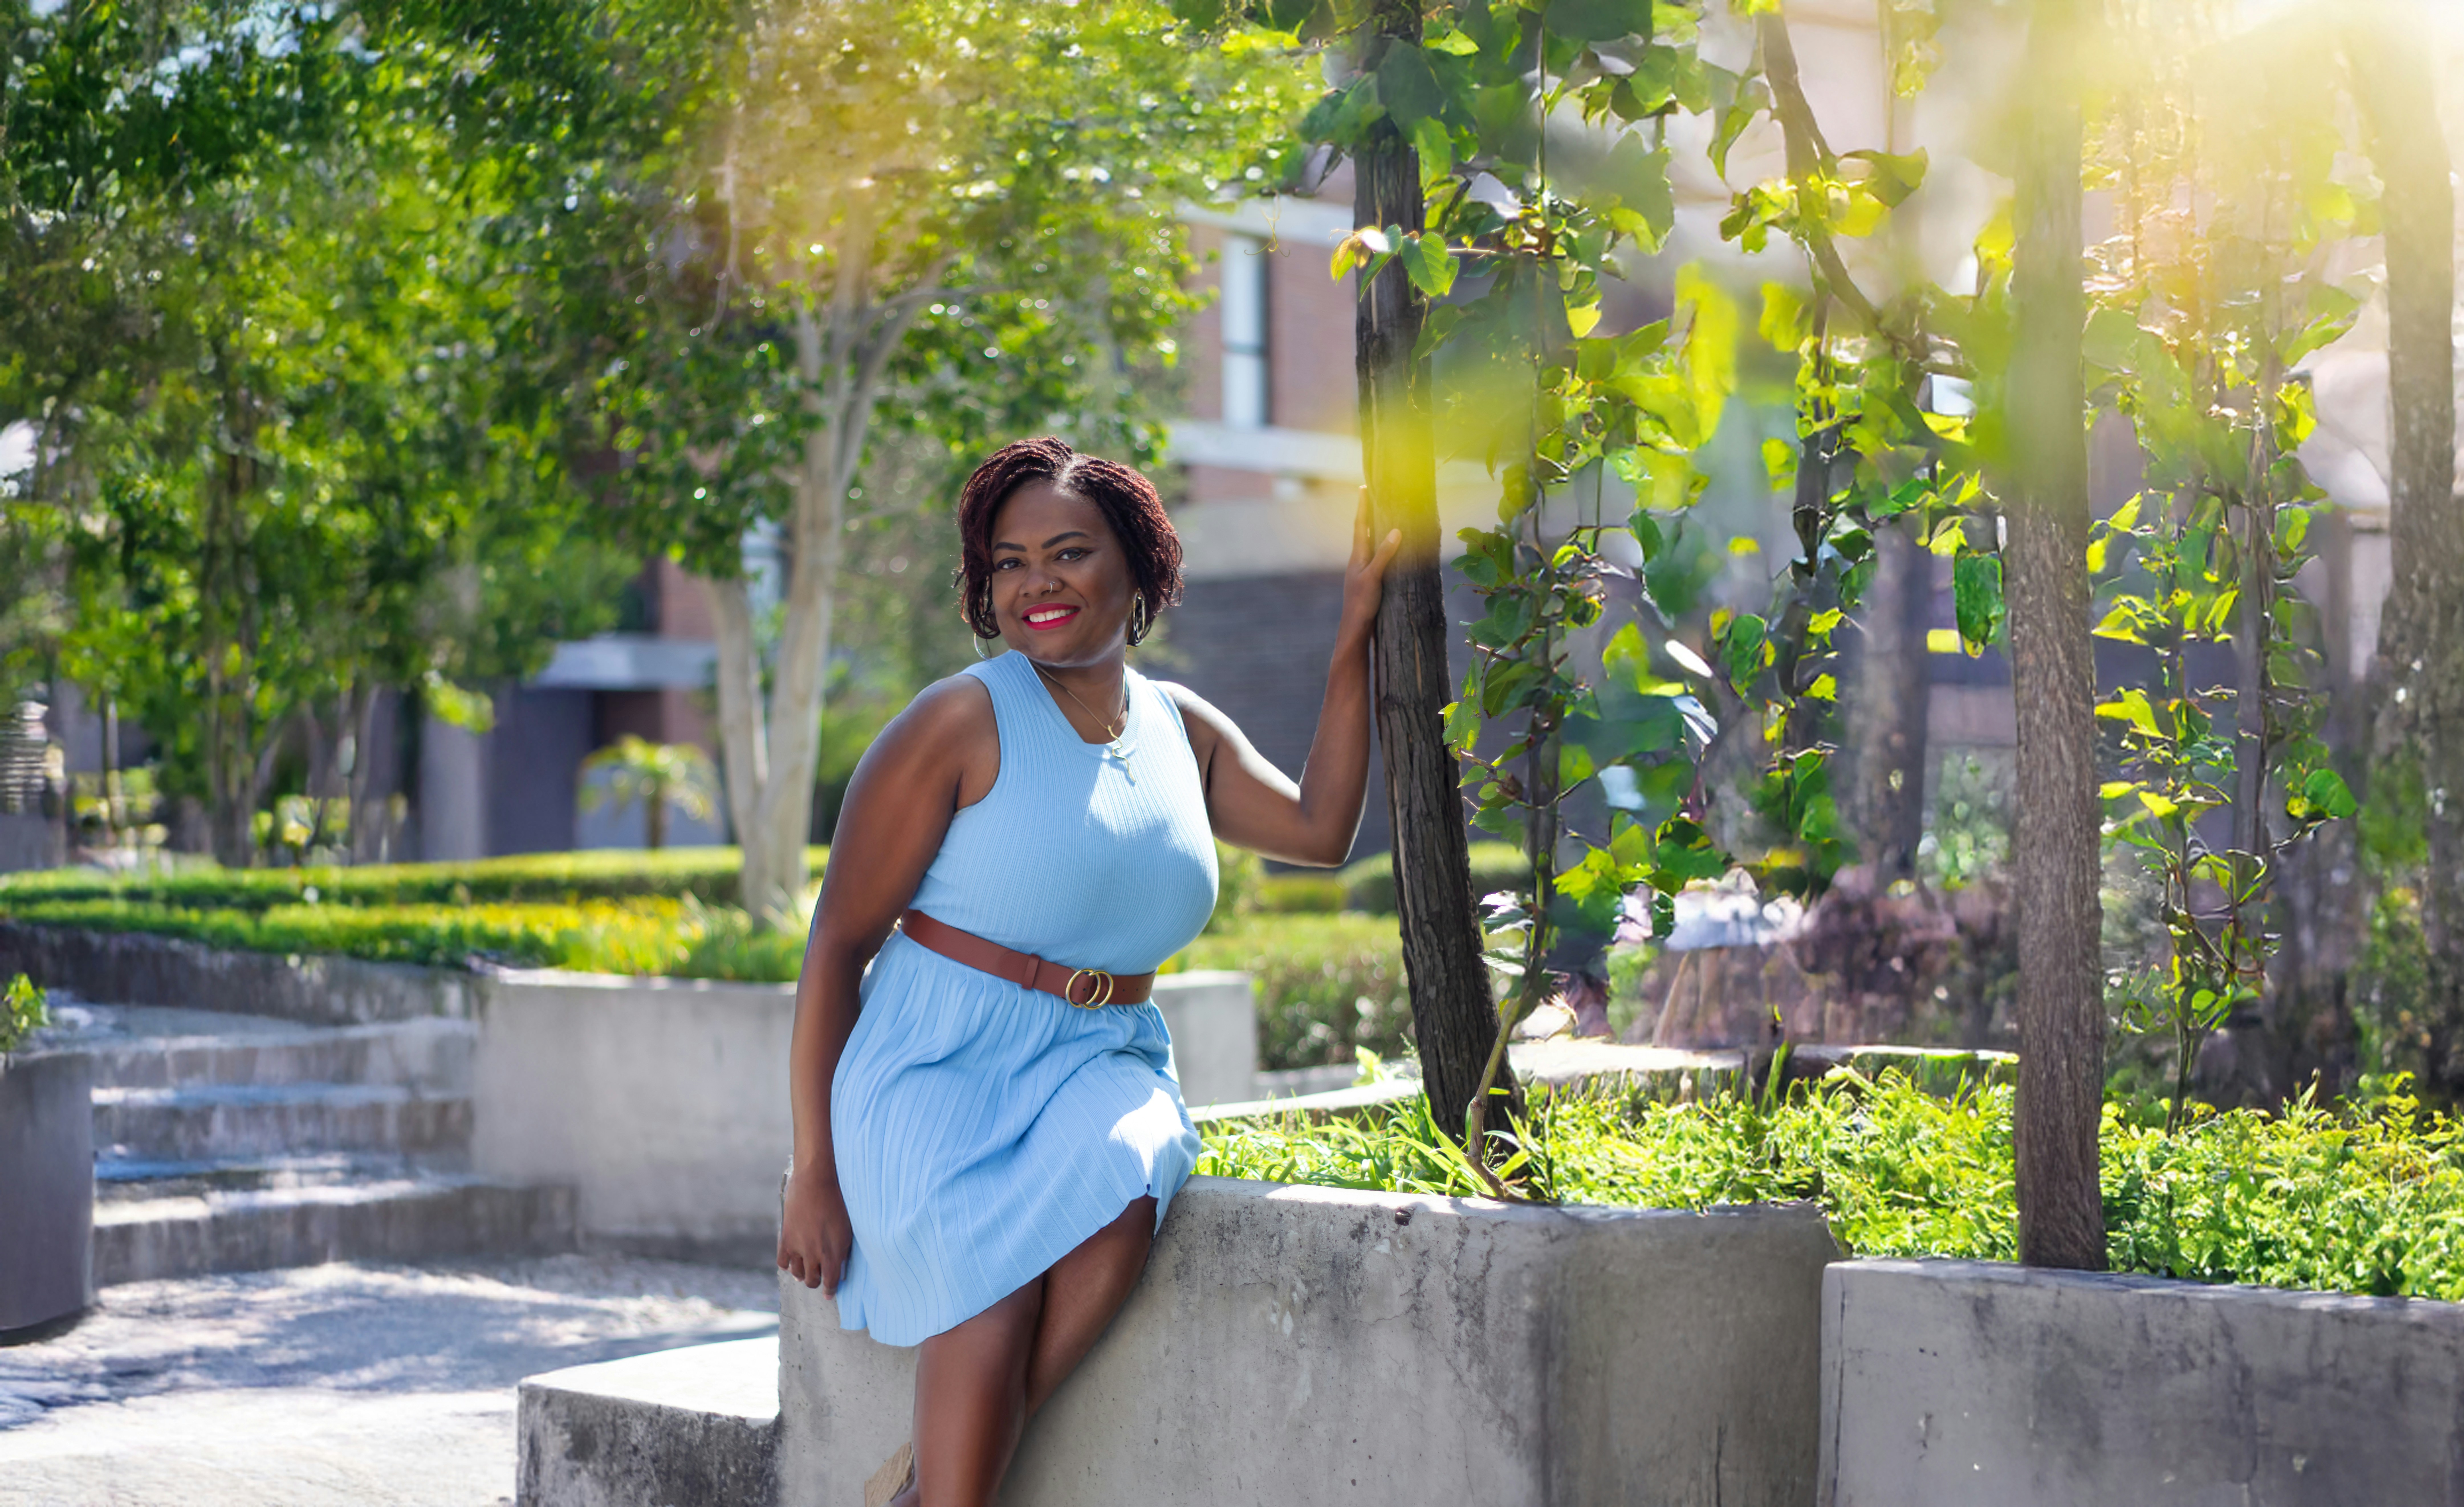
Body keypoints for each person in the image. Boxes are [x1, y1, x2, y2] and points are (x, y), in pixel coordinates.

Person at [775, 436, 1401, 1507]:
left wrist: (1355, 636)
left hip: (1100, 1058)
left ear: (1141, 567)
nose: (1037, 583)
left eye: (1068, 552)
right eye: (1009, 563)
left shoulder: (1178, 729)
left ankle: (925, 1490)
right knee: (995, 1287)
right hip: (936, 1067)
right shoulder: (957, 719)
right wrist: (814, 1172)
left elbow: (1320, 827)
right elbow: (836, 944)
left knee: (1125, 1196)